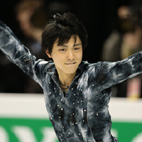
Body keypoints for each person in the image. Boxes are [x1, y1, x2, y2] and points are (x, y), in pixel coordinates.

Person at [1, 12, 142, 142]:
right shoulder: (44, 73)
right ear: (48, 52)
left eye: (76, 48)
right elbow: (16, 52)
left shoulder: (96, 75)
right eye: (63, 49)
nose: (71, 56)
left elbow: (132, 65)